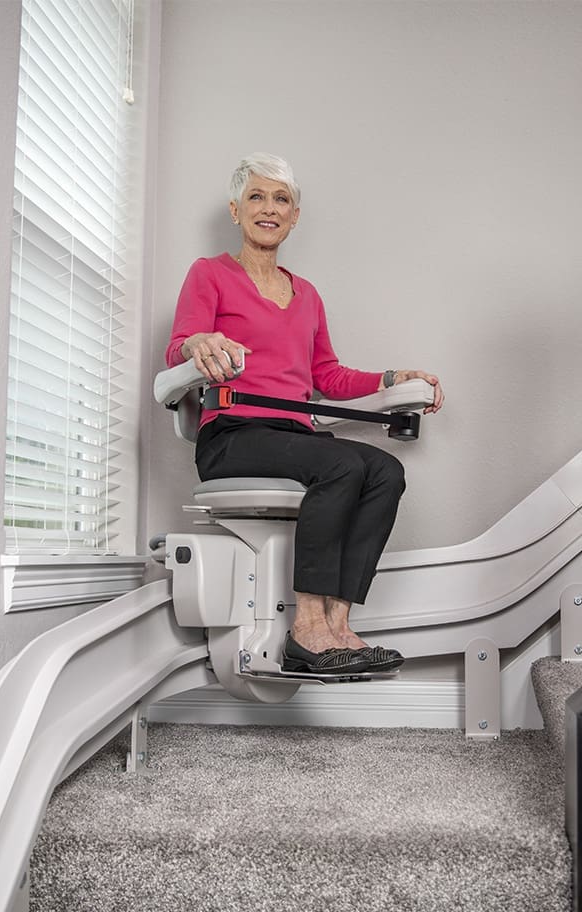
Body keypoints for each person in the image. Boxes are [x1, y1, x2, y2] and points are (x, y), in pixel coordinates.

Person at [166, 153, 443, 676]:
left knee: (385, 470)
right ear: (235, 210)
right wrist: (198, 341)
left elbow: (328, 377)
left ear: (294, 216)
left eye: (281, 199)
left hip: (293, 436)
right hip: (232, 435)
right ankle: (307, 628)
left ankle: (337, 626)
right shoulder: (210, 275)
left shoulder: (308, 295)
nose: (268, 209)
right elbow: (178, 347)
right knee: (341, 465)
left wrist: (391, 379)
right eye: (256, 197)